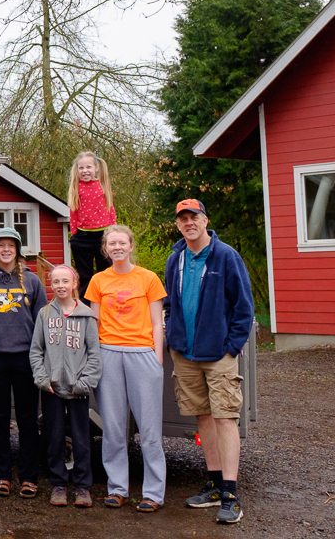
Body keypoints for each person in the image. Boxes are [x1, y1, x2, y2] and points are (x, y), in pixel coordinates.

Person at [164, 199, 254, 524]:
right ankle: (214, 483)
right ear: (178, 225)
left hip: (219, 354)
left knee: (226, 417)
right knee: (202, 417)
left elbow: (244, 307)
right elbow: (170, 303)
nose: (189, 223)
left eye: (194, 217)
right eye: (183, 218)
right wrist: (174, 338)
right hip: (185, 354)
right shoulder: (175, 259)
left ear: (205, 220)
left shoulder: (226, 256)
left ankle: (230, 494)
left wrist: (231, 347)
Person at [85, 225, 167, 513]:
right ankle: (118, 489)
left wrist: (156, 360)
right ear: (105, 249)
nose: (117, 247)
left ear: (131, 246)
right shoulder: (97, 280)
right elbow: (93, 325)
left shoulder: (149, 278)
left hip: (141, 354)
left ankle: (153, 493)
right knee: (114, 428)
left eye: (122, 242)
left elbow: (158, 322)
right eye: (112, 244)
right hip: (108, 354)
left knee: (149, 430)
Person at [0, 227, 48, 499]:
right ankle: (2, 475)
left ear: (18, 250)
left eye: (10, 245)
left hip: (25, 358)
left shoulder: (33, 282)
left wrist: (42, 357)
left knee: (28, 421)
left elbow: (42, 322)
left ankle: (29, 476)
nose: (5, 250)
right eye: (0, 245)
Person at [30, 265, 102, 508]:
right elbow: (36, 351)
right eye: (55, 282)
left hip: (77, 390)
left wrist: (84, 383)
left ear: (74, 284)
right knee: (55, 437)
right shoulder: (44, 314)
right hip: (51, 389)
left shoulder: (86, 315)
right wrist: (42, 379)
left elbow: (94, 354)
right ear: (51, 285)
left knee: (81, 439)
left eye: (65, 281)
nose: (60, 285)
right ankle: (58, 484)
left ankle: (82, 487)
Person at [67, 151, 117, 305]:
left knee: (106, 272)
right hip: (83, 237)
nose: (85, 171)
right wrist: (74, 233)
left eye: (88, 167)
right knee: (85, 275)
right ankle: (85, 305)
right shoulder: (76, 187)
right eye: (81, 168)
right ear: (77, 170)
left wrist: (114, 232)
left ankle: (108, 302)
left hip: (103, 236)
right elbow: (73, 212)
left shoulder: (103, 184)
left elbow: (111, 208)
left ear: (96, 167)